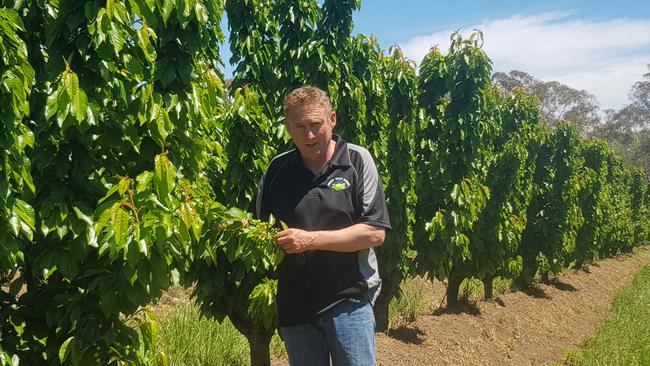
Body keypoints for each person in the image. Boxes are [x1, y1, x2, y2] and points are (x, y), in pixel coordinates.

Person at [254, 86, 390, 365]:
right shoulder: (277, 170)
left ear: (332, 119)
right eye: (299, 126)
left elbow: (375, 233)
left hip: (349, 302)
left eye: (316, 124)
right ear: (288, 127)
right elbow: (259, 229)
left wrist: (310, 240)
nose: (309, 135)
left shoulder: (356, 160)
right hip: (296, 307)